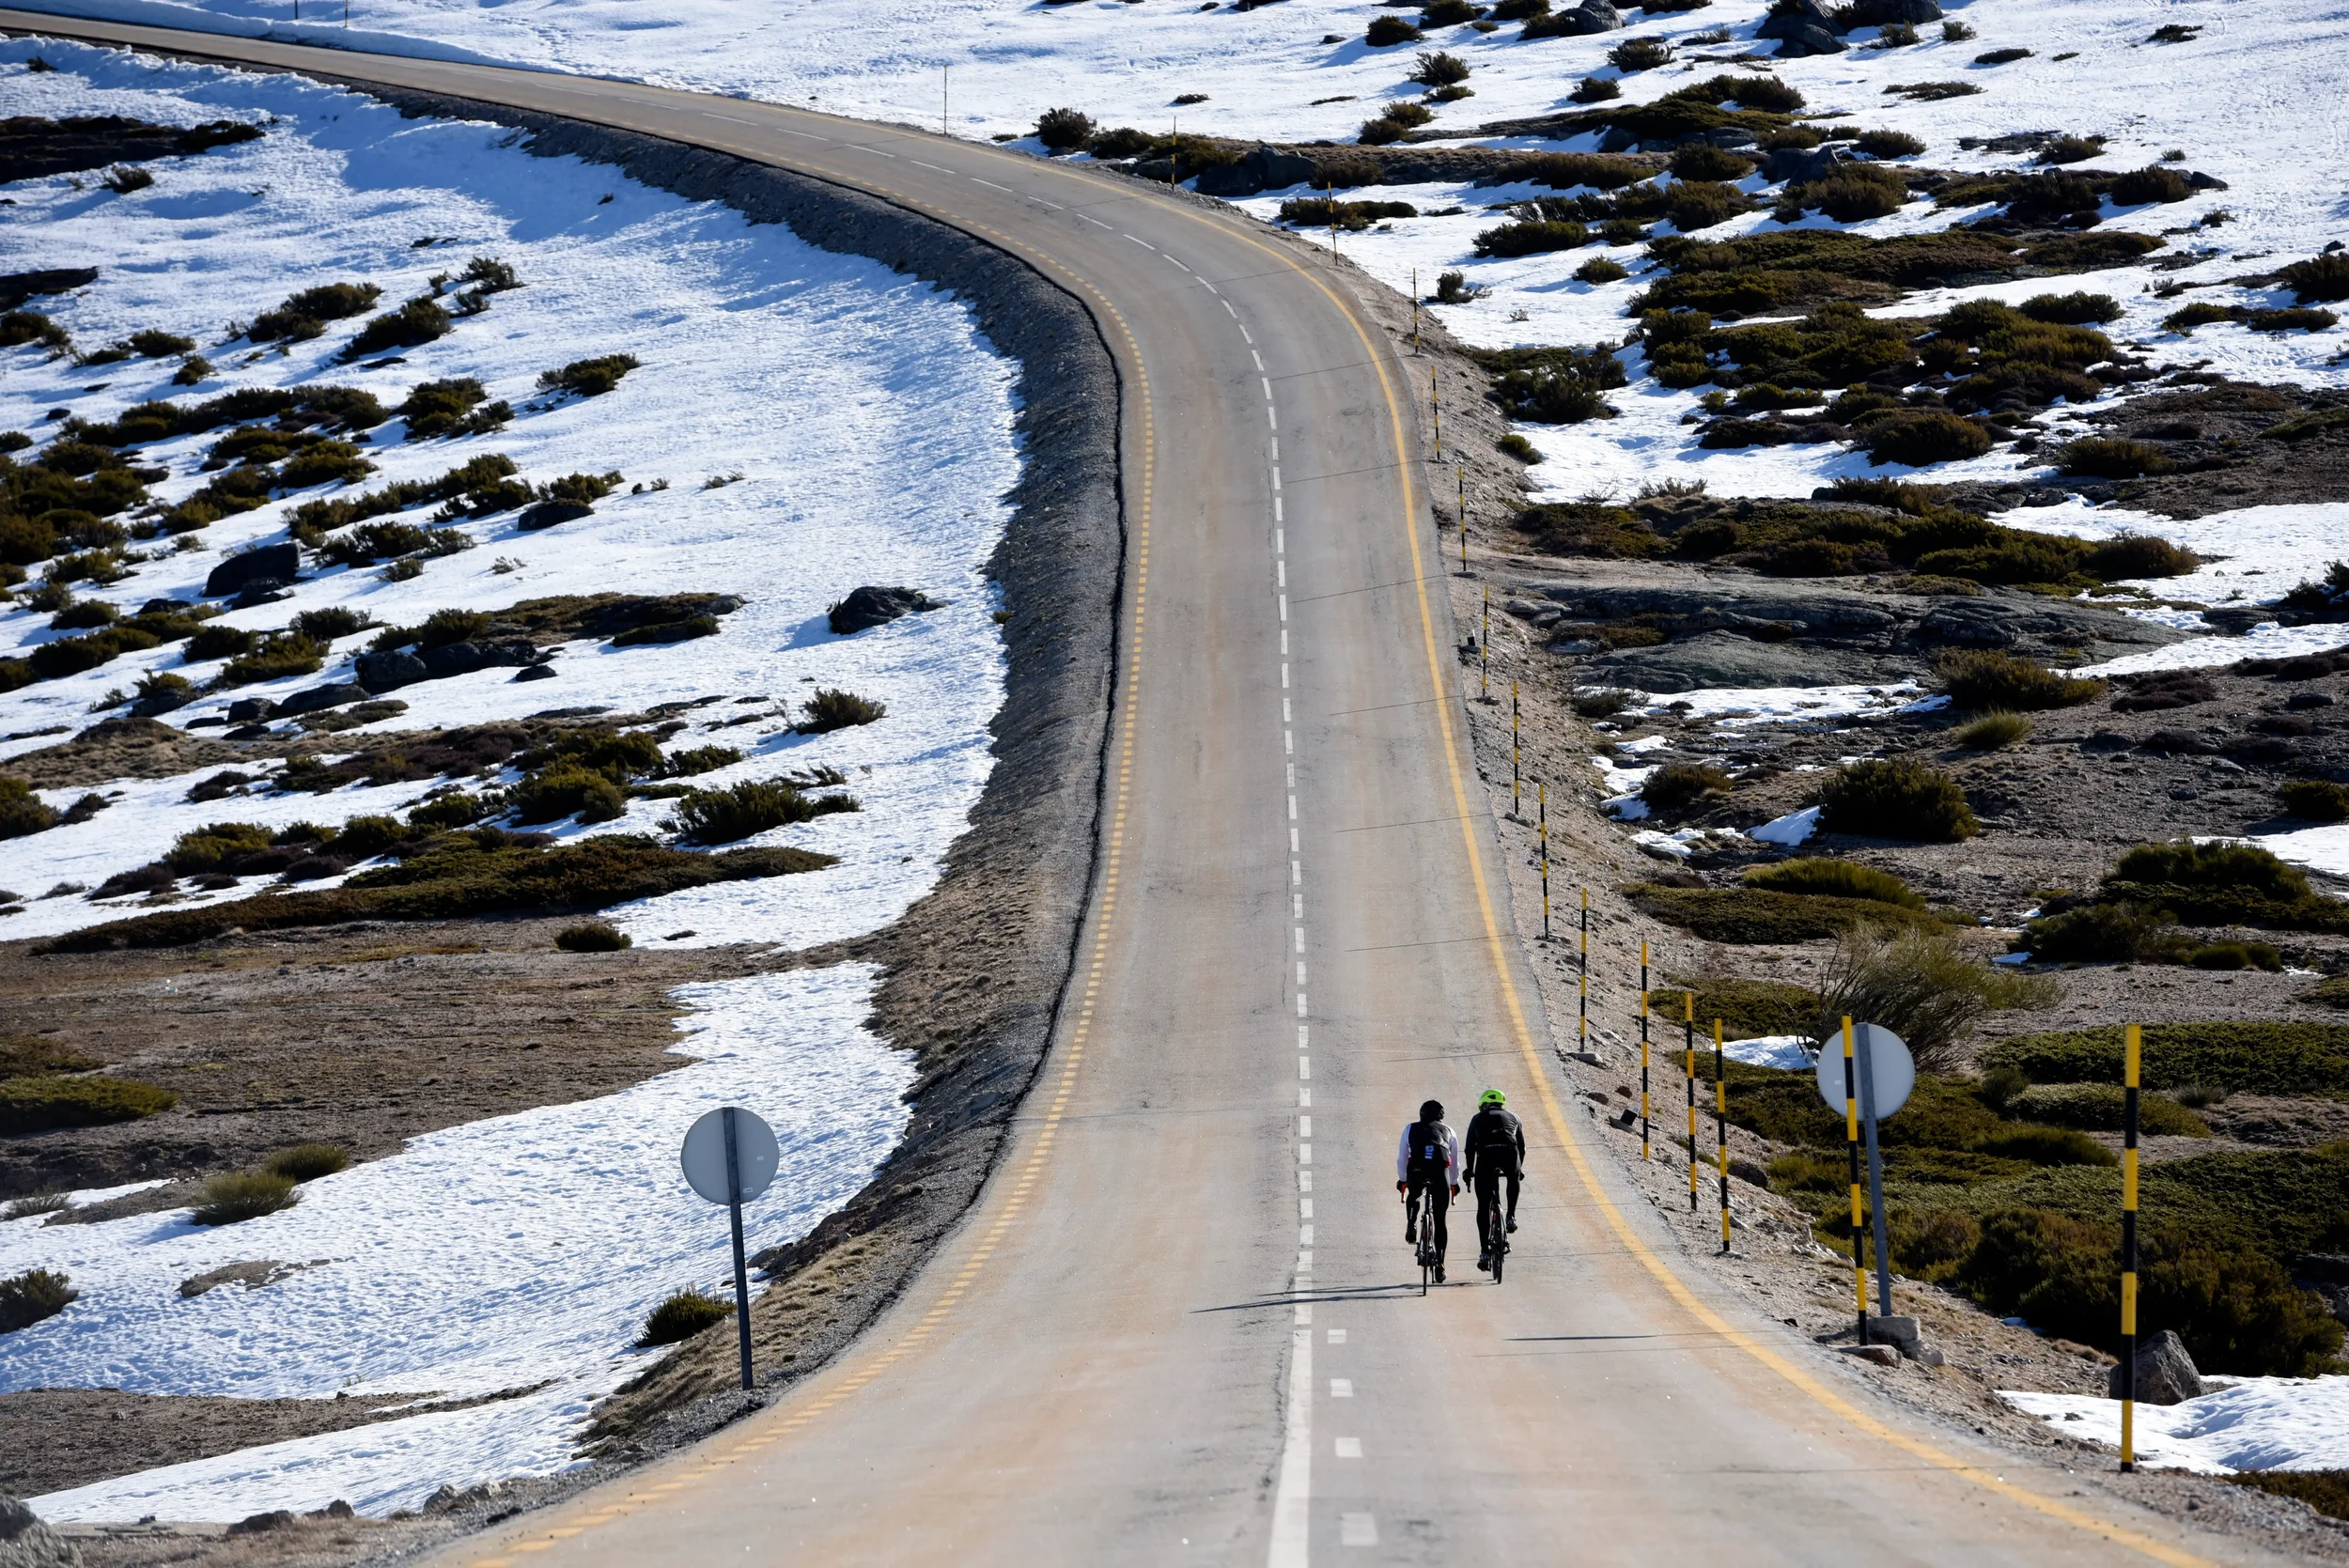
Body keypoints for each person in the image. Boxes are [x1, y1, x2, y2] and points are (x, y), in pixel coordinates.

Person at [1462, 1088, 1525, 1274]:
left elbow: (1469, 1148)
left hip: (1486, 1156)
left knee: (1483, 1206)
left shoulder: (1477, 1118)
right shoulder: (1514, 1117)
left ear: (1483, 1105)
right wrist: (1518, 1170)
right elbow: (1521, 1147)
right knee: (1513, 1179)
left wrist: (1469, 1169)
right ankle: (1511, 1216)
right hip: (1509, 1152)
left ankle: (1484, 1253)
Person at [1396, 1098, 1459, 1283]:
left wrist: (1403, 1180)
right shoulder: (1449, 1130)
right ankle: (1440, 1265)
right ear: (1441, 1116)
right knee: (1440, 1220)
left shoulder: (1410, 1128)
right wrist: (1454, 1183)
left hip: (1417, 1169)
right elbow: (1454, 1161)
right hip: (1440, 1172)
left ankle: (1411, 1224)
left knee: (1414, 1195)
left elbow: (1402, 1157)